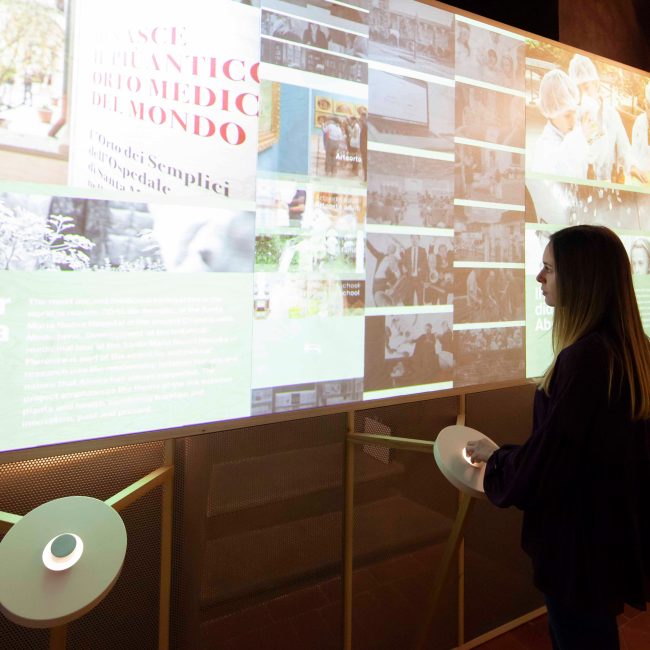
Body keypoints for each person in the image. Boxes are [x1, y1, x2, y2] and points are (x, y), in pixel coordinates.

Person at [466, 225, 650, 650]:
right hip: (607, 537)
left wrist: (498, 461)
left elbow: (551, 461)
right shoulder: (632, 348)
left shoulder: (585, 359)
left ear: (582, 278)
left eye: (548, 268)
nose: (539, 278)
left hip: (577, 549)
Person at [568, 54, 631, 182]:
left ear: (596, 84)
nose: (583, 95)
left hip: (609, 184)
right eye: (578, 90)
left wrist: (632, 166)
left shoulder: (612, 115)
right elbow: (571, 159)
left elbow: (625, 149)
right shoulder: (573, 118)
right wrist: (581, 136)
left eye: (586, 87)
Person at [630, 82, 650, 184]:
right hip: (640, 179)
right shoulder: (640, 122)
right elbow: (633, 152)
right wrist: (634, 168)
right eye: (649, 107)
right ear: (645, 104)